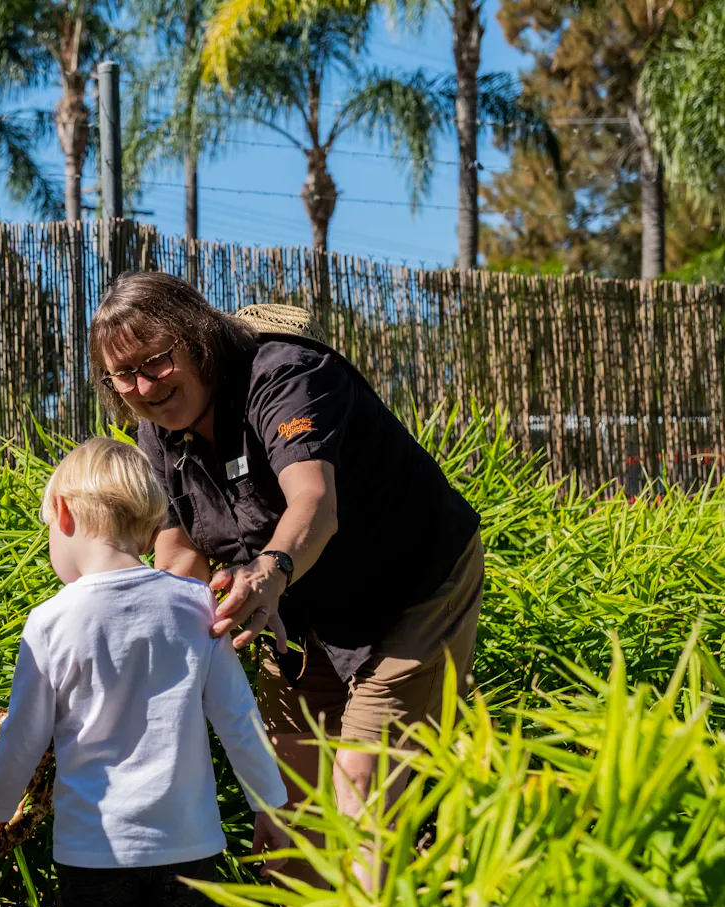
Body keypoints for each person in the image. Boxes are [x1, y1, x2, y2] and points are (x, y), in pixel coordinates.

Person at [88, 272, 483, 874]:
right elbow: (179, 554)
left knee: (360, 793)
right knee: (285, 799)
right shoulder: (159, 430)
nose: (144, 386)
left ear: (197, 337)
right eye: (125, 375)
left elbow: (314, 505)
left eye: (157, 360)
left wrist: (267, 573)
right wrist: (121, 653)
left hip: (410, 591)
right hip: (300, 606)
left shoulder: (286, 376)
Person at [0, 437, 289, 907]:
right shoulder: (194, 604)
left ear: (62, 512)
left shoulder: (51, 622)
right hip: (188, 846)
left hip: (94, 852)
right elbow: (238, 720)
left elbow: (24, 738)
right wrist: (269, 804)